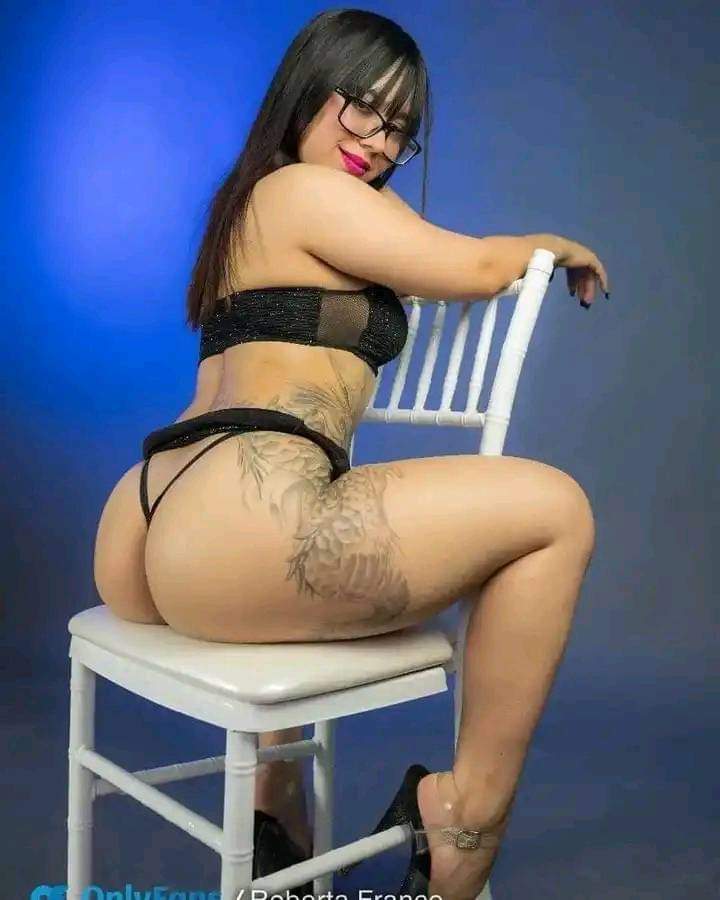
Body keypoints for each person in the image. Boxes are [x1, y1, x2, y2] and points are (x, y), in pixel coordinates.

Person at [93, 8, 610, 899]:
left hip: (151, 510)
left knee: (319, 517)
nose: (377, 142)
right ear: (308, 91)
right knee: (559, 510)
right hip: (236, 524)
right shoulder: (305, 190)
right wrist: (558, 245)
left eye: (400, 129)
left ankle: (278, 822)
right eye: (361, 108)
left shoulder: (248, 203)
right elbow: (476, 268)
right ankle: (464, 823)